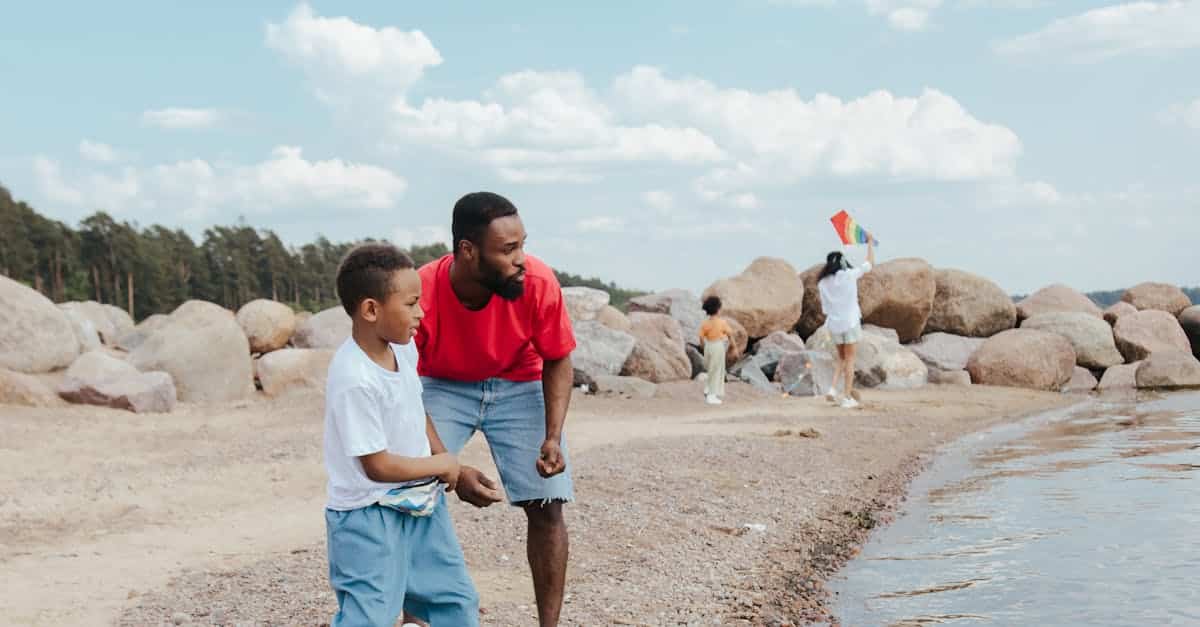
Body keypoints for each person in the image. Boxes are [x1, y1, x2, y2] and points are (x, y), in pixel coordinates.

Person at [416, 192, 576, 627]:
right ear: (468, 250)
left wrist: (552, 435)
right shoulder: (421, 291)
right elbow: (400, 389)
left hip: (520, 380)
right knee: (413, 487)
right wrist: (450, 468)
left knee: (548, 503)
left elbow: (558, 357)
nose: (521, 259)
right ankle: (417, 618)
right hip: (443, 383)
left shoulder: (538, 281)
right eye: (508, 249)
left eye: (522, 245)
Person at [322, 243, 479, 626]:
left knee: (454, 600)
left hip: (421, 503)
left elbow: (415, 409)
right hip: (368, 516)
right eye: (410, 304)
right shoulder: (354, 378)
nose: (421, 313)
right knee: (370, 615)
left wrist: (446, 461)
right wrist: (441, 464)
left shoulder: (402, 350)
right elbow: (376, 465)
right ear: (371, 310)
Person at [816, 237, 876, 409]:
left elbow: (825, 309)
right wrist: (869, 243)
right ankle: (847, 397)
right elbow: (869, 264)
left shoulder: (822, 283)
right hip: (849, 322)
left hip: (834, 325)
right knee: (850, 360)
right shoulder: (848, 275)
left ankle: (832, 389)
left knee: (841, 358)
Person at [697, 296, 734, 405]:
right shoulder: (721, 322)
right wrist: (733, 347)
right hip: (717, 346)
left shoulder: (705, 323)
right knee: (717, 371)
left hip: (708, 346)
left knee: (711, 369)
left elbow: (701, 337)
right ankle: (711, 396)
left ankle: (708, 389)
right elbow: (730, 334)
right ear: (718, 309)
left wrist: (704, 347)